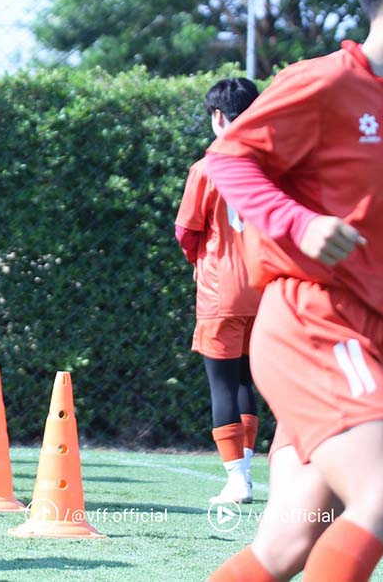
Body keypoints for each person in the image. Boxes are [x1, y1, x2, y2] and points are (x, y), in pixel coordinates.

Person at [206, 0, 383, 581]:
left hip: (365, 336)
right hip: (316, 326)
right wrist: (301, 224)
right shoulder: (327, 82)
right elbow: (228, 160)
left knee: (288, 546)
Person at [175, 78, 261, 504]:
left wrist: (200, 265)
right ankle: (250, 472)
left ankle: (236, 480)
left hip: (220, 290)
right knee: (248, 379)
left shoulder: (206, 167)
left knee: (223, 384)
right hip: (265, 289)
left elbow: (186, 231)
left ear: (217, 117)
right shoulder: (274, 164)